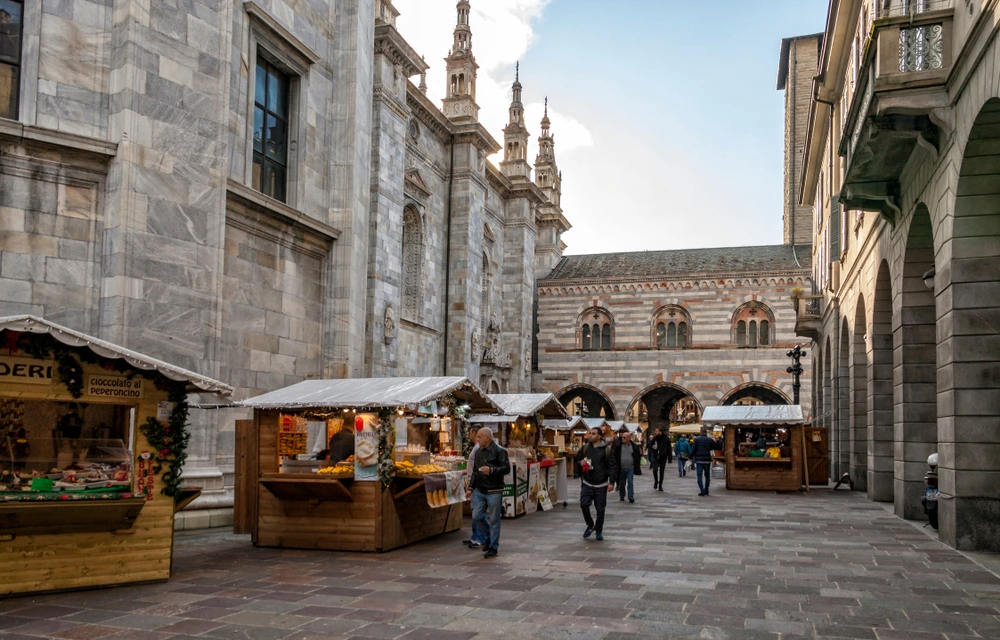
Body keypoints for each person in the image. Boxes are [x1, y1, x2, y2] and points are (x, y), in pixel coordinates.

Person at [468, 427, 509, 558]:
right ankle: (488, 537)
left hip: (494, 490)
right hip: (479, 490)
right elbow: (475, 471)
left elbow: (506, 468)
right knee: (477, 516)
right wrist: (470, 487)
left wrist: (491, 470)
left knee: (494, 519)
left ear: (488, 438)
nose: (477, 439)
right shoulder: (479, 452)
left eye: (479, 437)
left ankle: (493, 547)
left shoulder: (500, 451)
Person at [575, 427, 619, 541]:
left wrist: (612, 482)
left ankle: (598, 530)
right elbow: (577, 460)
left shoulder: (607, 450)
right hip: (587, 482)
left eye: (593, 434)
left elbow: (612, 466)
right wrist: (581, 463)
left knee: (600, 509)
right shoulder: (585, 448)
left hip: (601, 484)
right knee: (584, 504)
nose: (590, 435)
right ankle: (590, 525)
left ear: (599, 436)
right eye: (590, 433)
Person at [462, 441, 488, 549]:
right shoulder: (477, 448)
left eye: (479, 436)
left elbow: (477, 470)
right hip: (474, 482)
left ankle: (482, 537)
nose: (477, 438)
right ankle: (475, 536)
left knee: (478, 513)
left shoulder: (479, 449)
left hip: (479, 484)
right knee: (475, 511)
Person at [610, 431, 641, 503]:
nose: (622, 439)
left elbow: (637, 456)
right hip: (621, 468)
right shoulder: (619, 446)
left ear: (629, 438)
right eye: (622, 437)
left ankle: (630, 496)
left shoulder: (633, 446)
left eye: (624, 437)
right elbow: (614, 455)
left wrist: (637, 463)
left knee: (630, 482)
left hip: (631, 467)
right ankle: (622, 496)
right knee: (622, 483)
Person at [691, 426, 722, 496]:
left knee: (699, 476)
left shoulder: (697, 440)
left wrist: (690, 457)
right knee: (707, 476)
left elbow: (693, 449)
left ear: (700, 432)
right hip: (707, 460)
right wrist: (717, 441)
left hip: (699, 460)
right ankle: (706, 490)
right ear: (706, 432)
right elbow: (716, 447)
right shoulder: (710, 440)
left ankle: (702, 490)